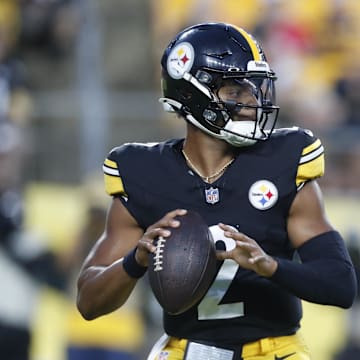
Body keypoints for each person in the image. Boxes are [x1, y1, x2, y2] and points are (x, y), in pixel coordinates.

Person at [76, 23, 357, 360]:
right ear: (192, 93)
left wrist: (270, 266)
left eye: (254, 90)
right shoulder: (144, 172)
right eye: (235, 92)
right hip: (186, 350)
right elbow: (88, 302)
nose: (253, 101)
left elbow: (341, 285)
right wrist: (135, 260)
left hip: (273, 351)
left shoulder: (283, 160)